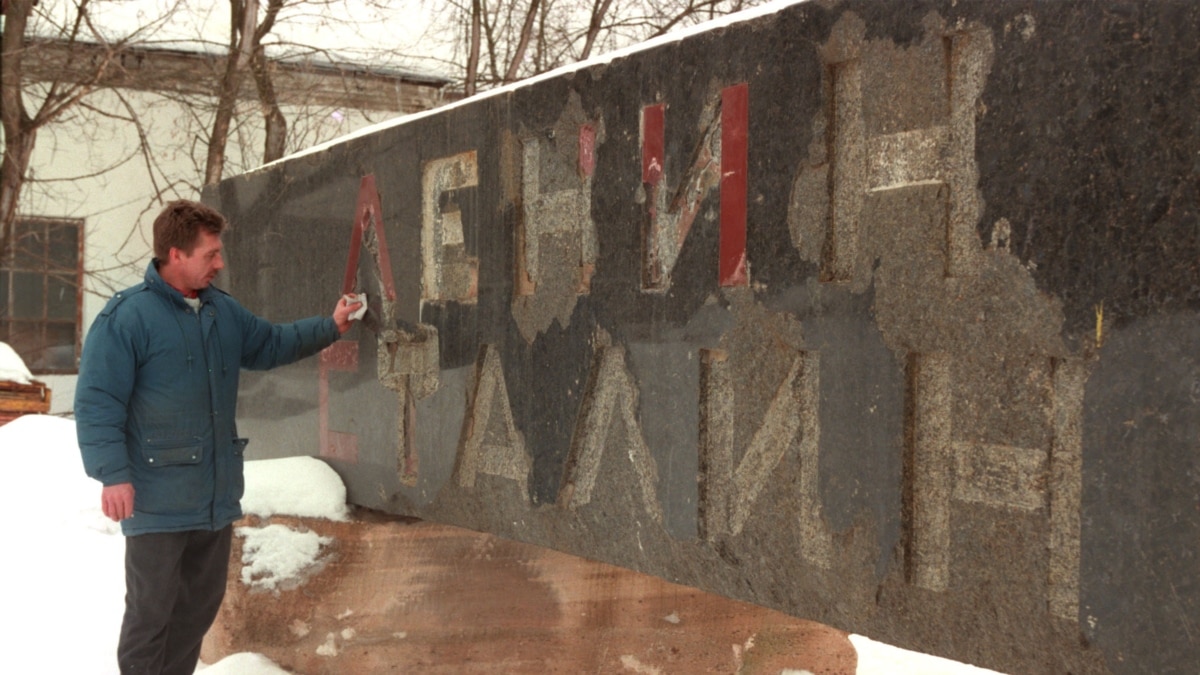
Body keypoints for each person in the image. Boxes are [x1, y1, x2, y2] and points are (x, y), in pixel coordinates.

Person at [75, 200, 361, 674]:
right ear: (176, 254)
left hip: (213, 495)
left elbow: (270, 344)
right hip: (156, 498)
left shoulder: (221, 311)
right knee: (151, 616)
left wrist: (329, 326)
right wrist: (112, 475)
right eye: (210, 254)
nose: (219, 263)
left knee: (196, 613)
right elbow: (97, 401)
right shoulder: (127, 318)